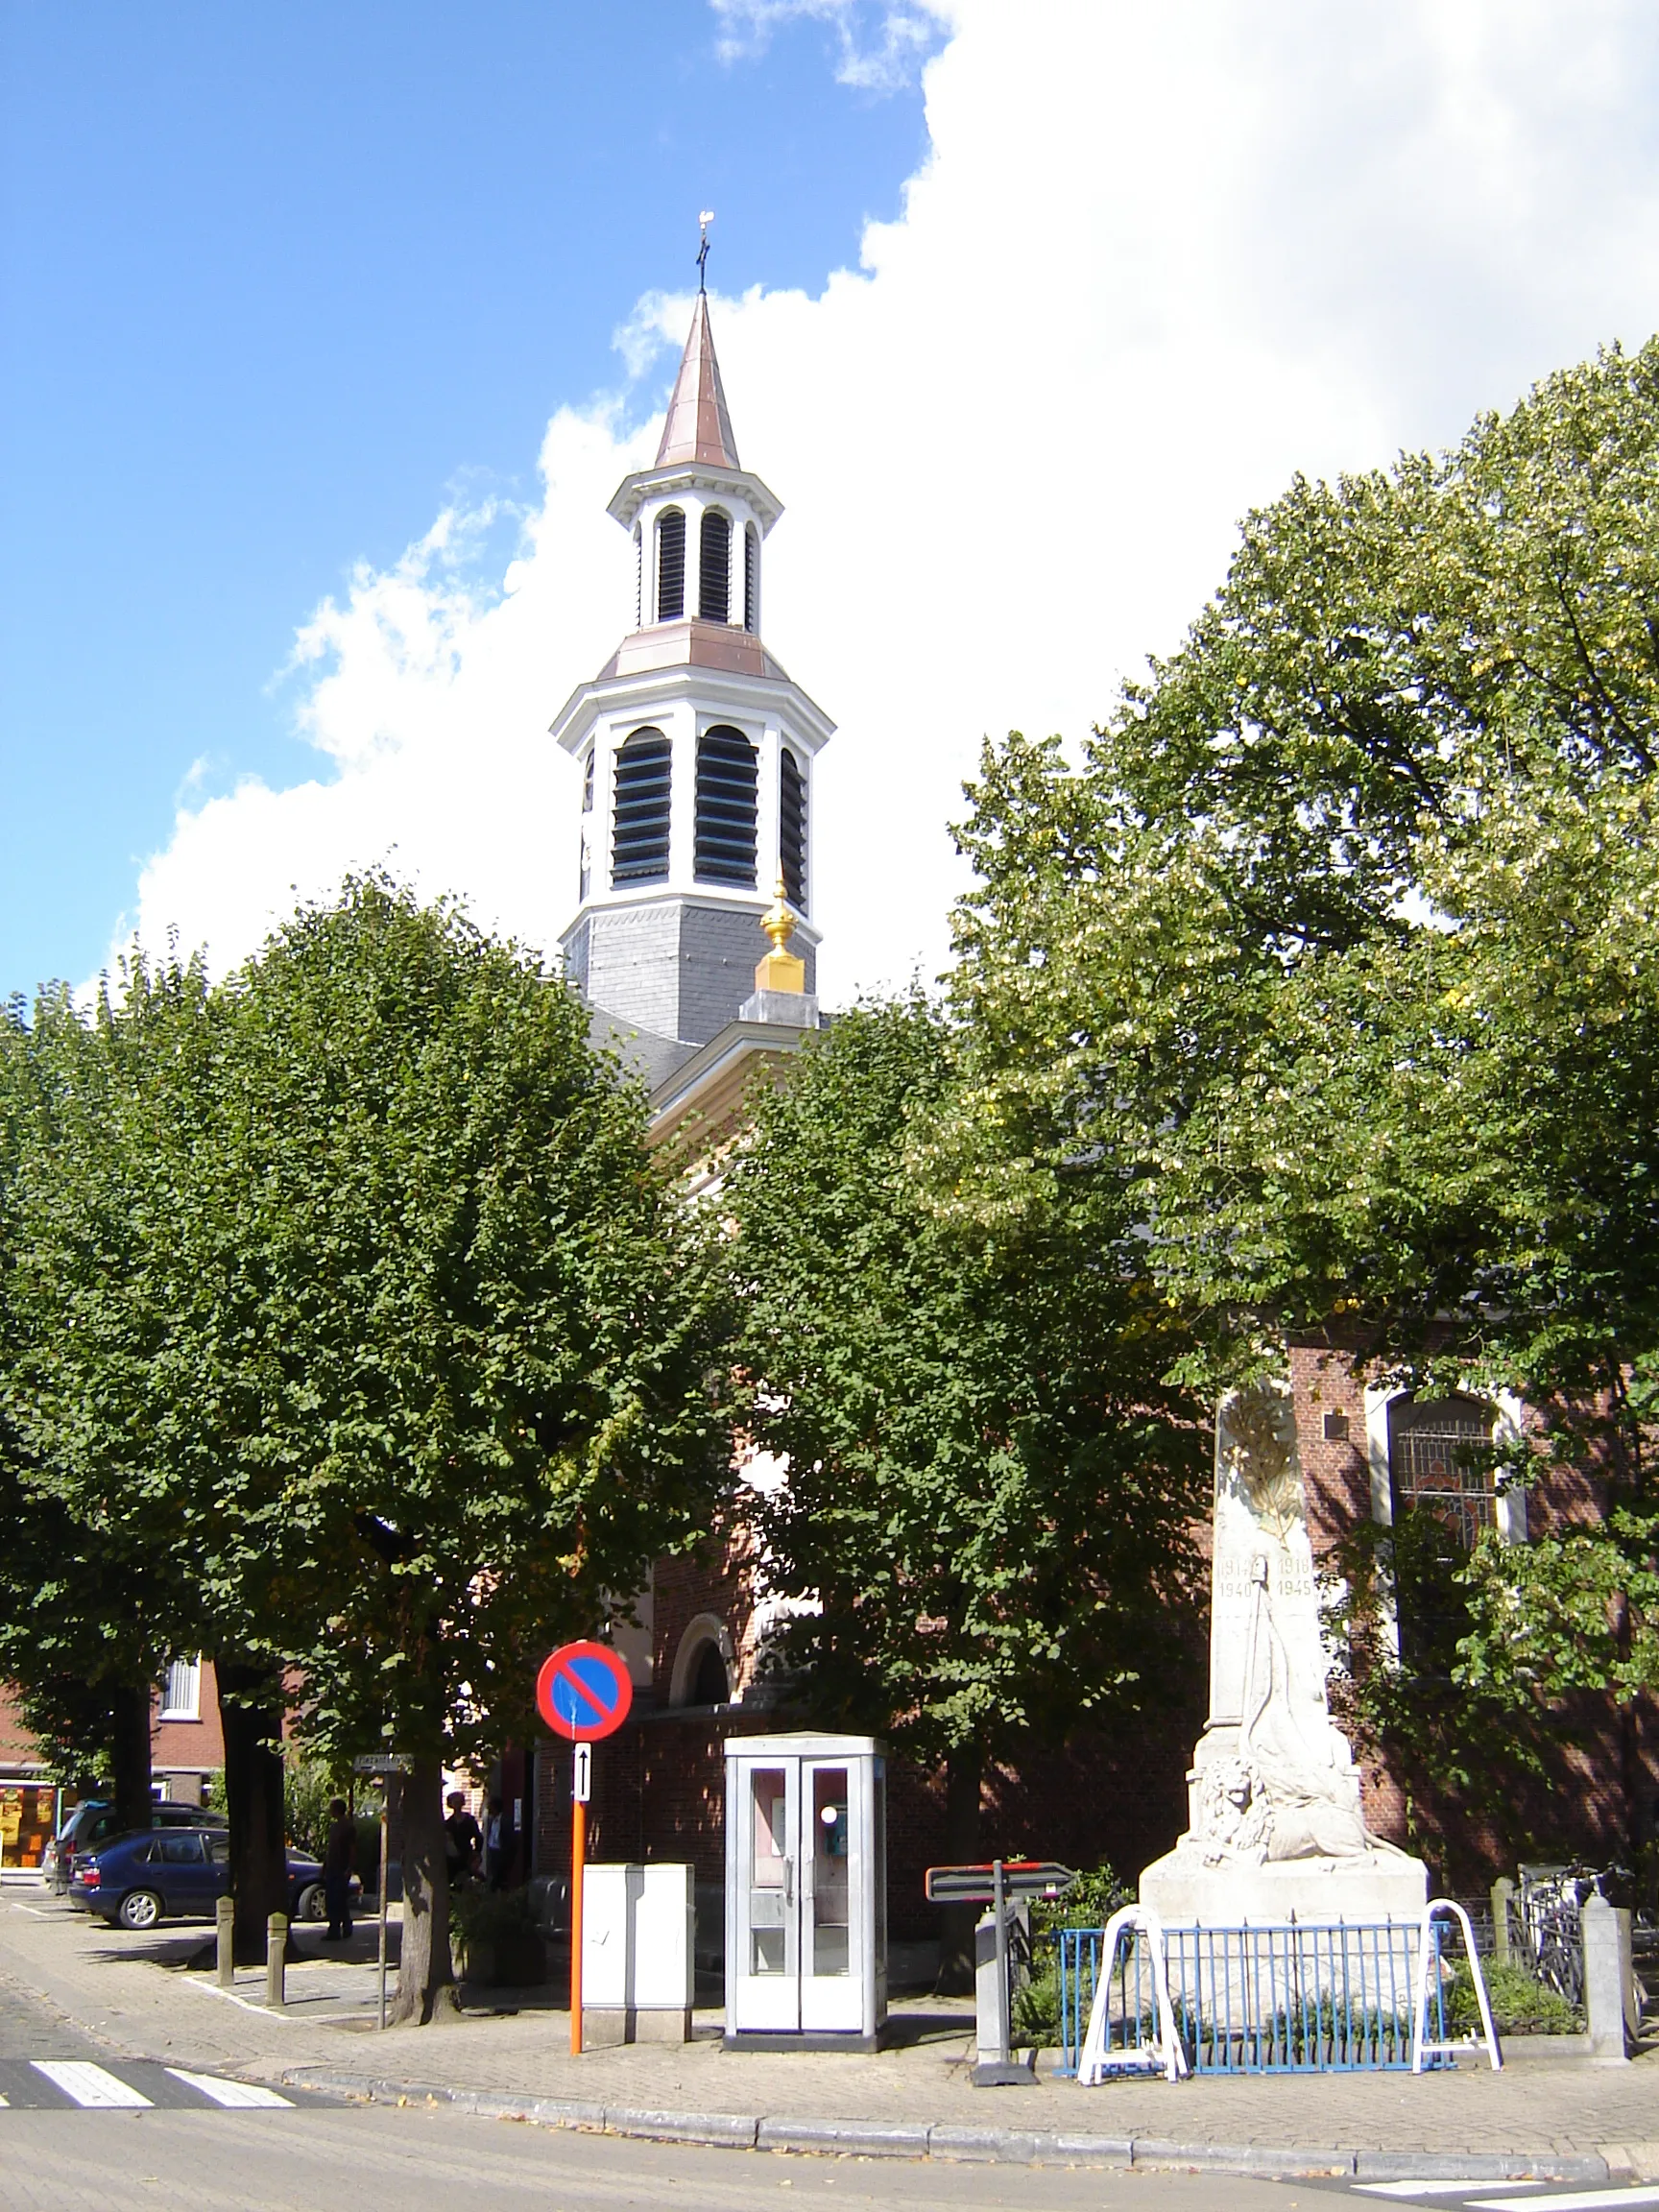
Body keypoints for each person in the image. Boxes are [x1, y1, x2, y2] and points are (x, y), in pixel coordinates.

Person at [322, 1797, 355, 1941]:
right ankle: (342, 1926)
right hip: (332, 1868)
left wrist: (350, 1867)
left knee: (338, 1899)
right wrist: (325, 1865)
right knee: (333, 1899)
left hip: (341, 1868)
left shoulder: (348, 1827)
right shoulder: (333, 1827)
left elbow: (352, 1849)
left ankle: (337, 1929)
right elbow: (330, 1849)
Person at [444, 1791, 483, 1886]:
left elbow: (478, 1837)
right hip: (452, 1857)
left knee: (466, 1880)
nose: (456, 1805)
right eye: (454, 1802)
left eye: (458, 1802)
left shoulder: (469, 1820)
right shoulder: (448, 1823)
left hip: (466, 1854)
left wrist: (477, 1853)